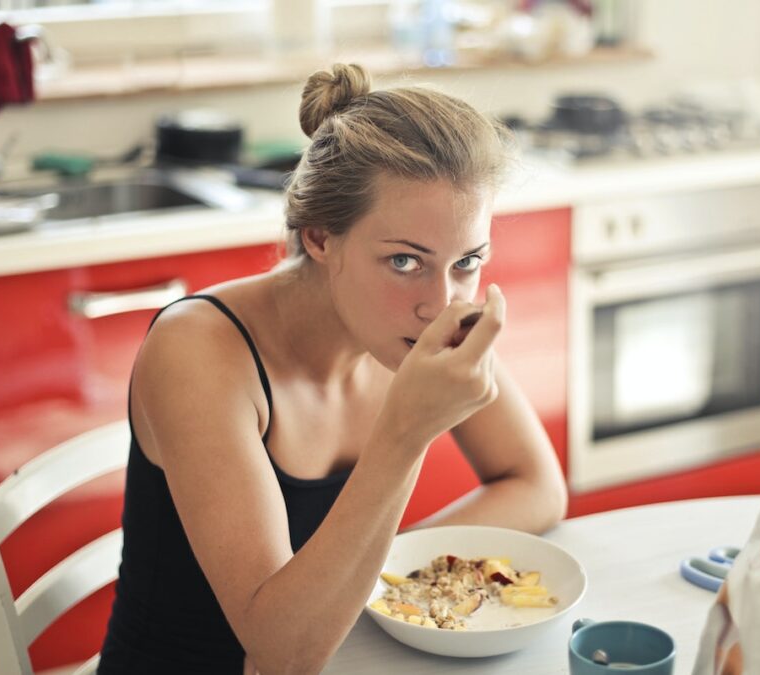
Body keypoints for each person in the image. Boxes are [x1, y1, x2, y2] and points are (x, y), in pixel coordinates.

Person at [98, 63, 568, 675]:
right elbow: (282, 654)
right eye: (404, 260)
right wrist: (406, 434)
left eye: (468, 260)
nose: (443, 302)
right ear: (320, 237)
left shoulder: (426, 317)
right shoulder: (200, 352)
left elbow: (537, 487)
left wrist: (367, 576)